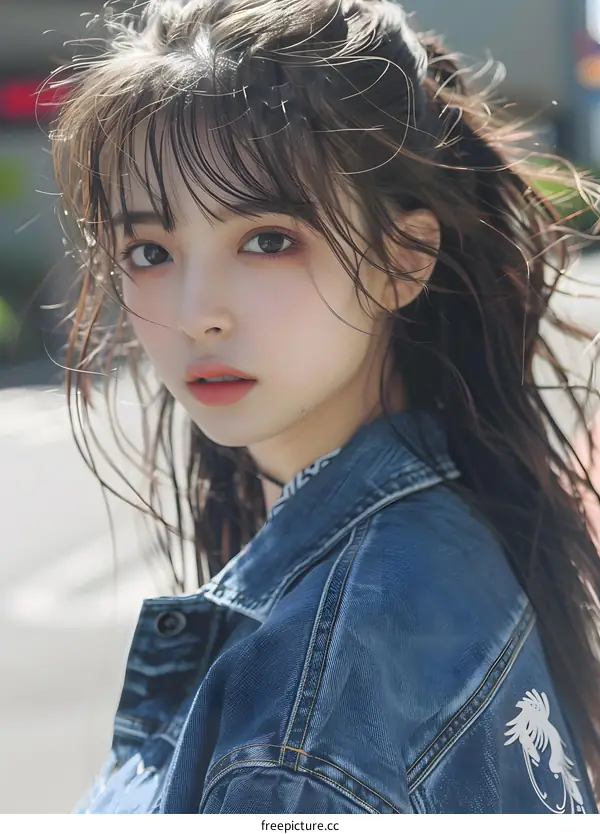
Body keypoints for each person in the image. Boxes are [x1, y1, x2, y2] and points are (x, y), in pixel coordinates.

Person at [47, 0, 600, 814]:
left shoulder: (301, 718)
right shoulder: (467, 514)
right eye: (150, 251)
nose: (200, 312)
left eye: (268, 239)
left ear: (401, 258)